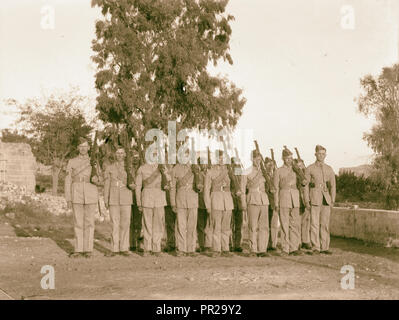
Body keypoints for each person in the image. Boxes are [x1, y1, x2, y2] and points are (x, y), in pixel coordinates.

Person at [65, 138, 99, 258]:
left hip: (90, 193)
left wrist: (97, 180)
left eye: (85, 146)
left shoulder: (94, 161)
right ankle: (78, 249)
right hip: (76, 193)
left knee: (89, 223)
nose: (83, 149)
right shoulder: (72, 162)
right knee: (78, 222)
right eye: (81, 146)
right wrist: (68, 198)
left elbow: (101, 179)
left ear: (89, 148)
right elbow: (68, 180)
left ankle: (88, 249)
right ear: (78, 148)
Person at [135, 148, 167, 257]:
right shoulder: (142, 168)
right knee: (147, 224)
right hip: (147, 197)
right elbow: (138, 186)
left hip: (159, 198)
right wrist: (138, 202)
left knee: (158, 224)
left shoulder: (163, 168)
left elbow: (169, 182)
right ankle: (147, 248)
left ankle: (156, 248)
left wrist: (165, 174)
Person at [304, 145, 336, 255]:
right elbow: (305, 186)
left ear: (325, 155)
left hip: (326, 200)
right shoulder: (310, 168)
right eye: (319, 154)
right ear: (315, 154)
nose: (321, 156)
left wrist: (332, 199)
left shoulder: (329, 168)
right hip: (314, 199)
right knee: (314, 224)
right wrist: (306, 200)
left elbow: (333, 185)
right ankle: (316, 247)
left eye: (323, 154)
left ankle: (325, 247)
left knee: (325, 224)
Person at [103, 147, 134, 257]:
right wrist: (106, 199)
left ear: (125, 154)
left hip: (126, 198)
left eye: (122, 153)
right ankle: (114, 248)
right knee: (114, 224)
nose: (120, 155)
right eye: (118, 153)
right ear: (115, 155)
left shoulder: (130, 168)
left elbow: (134, 182)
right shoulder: (109, 168)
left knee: (125, 224)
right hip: (114, 199)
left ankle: (124, 248)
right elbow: (106, 184)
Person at [204, 150, 234, 257]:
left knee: (226, 226)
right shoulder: (210, 172)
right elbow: (206, 190)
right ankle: (216, 249)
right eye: (219, 158)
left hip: (228, 201)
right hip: (215, 200)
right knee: (216, 226)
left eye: (223, 158)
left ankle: (225, 248)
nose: (221, 160)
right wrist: (208, 205)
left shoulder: (230, 171)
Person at [273, 147, 302, 256]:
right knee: (284, 224)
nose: (289, 160)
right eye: (287, 158)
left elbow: (303, 183)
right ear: (283, 159)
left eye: (291, 158)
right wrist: (276, 203)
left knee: (295, 224)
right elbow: (276, 189)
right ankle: (285, 248)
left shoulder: (296, 170)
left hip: (295, 198)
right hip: (283, 198)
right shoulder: (278, 171)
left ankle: (294, 247)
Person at [170, 151, 199, 257]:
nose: (185, 157)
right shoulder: (175, 169)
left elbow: (200, 183)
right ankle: (181, 249)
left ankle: (191, 248)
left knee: (192, 225)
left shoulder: (195, 168)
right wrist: (173, 203)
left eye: (187, 155)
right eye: (183, 155)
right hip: (180, 199)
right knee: (181, 226)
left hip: (193, 198)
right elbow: (172, 187)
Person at [241, 151, 269, 257]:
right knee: (253, 226)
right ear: (252, 159)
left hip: (264, 200)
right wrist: (243, 203)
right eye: (256, 159)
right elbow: (242, 189)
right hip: (252, 199)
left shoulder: (264, 171)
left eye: (260, 159)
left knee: (264, 226)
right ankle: (253, 249)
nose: (258, 161)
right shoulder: (246, 172)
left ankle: (262, 249)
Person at [196, 157, 212, 253]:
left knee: (209, 225)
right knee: (201, 225)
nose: (203, 165)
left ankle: (208, 244)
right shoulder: (198, 174)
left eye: (204, 163)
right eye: (201, 163)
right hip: (201, 203)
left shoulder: (210, 173)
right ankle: (202, 245)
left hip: (212, 202)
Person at [230, 156, 244, 253]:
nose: (237, 166)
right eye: (235, 164)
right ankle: (230, 244)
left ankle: (238, 245)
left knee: (239, 226)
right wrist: (234, 192)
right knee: (230, 225)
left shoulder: (241, 177)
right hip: (231, 202)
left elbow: (245, 188)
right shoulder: (229, 175)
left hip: (239, 203)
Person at [264, 157, 279, 251]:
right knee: (265, 225)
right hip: (266, 202)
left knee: (274, 225)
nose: (270, 166)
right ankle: (265, 244)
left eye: (272, 164)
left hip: (275, 202)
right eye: (268, 164)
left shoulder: (276, 175)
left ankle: (273, 244)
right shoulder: (263, 175)